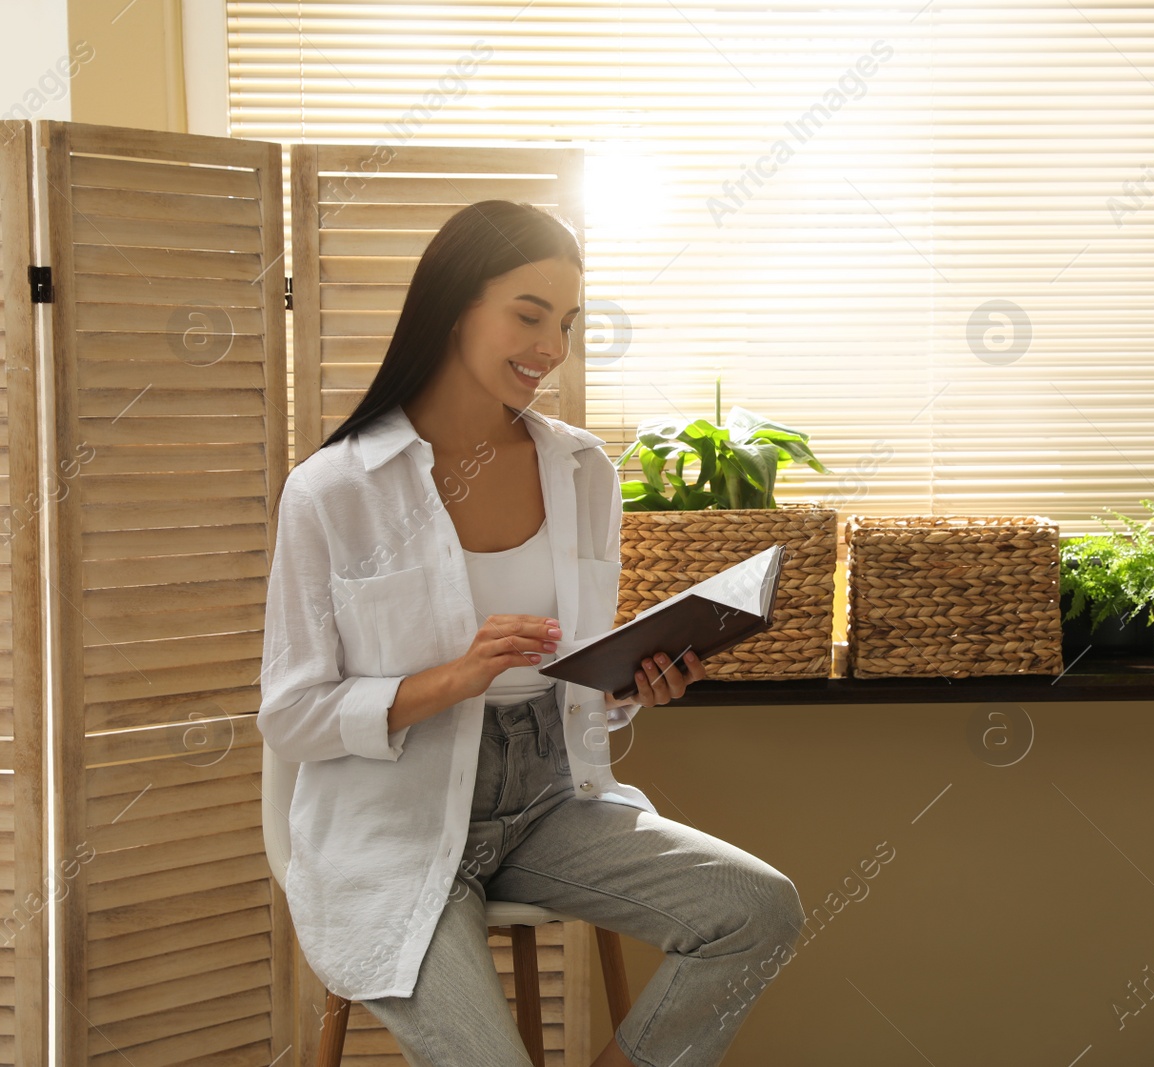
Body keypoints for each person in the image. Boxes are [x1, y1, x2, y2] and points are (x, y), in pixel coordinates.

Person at [258, 199, 806, 1067]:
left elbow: (578, 687)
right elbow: (291, 714)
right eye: (529, 314)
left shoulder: (583, 469)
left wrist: (627, 688)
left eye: (567, 321)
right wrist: (454, 676)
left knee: (760, 908)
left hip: (550, 797)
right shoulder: (334, 490)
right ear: (454, 306)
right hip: (393, 822)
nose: (552, 347)